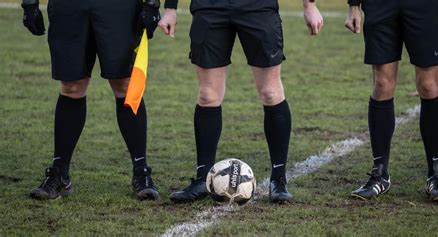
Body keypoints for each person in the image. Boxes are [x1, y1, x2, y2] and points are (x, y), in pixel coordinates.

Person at [168, 0, 324, 203]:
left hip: (257, 7)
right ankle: (202, 179)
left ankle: (279, 179)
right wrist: (170, 8)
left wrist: (309, 5)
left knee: (270, 92)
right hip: (209, 7)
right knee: (208, 95)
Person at [22, 0, 178, 200]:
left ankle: (141, 172)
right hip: (69, 7)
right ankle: (59, 173)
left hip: (119, 7)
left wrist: (151, 4)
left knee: (124, 85)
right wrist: (29, 3)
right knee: (71, 86)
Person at [344, 0, 438, 201]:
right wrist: (353, 4)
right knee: (382, 84)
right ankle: (380, 173)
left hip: (424, 5)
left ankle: (436, 174)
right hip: (379, 5)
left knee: (428, 85)